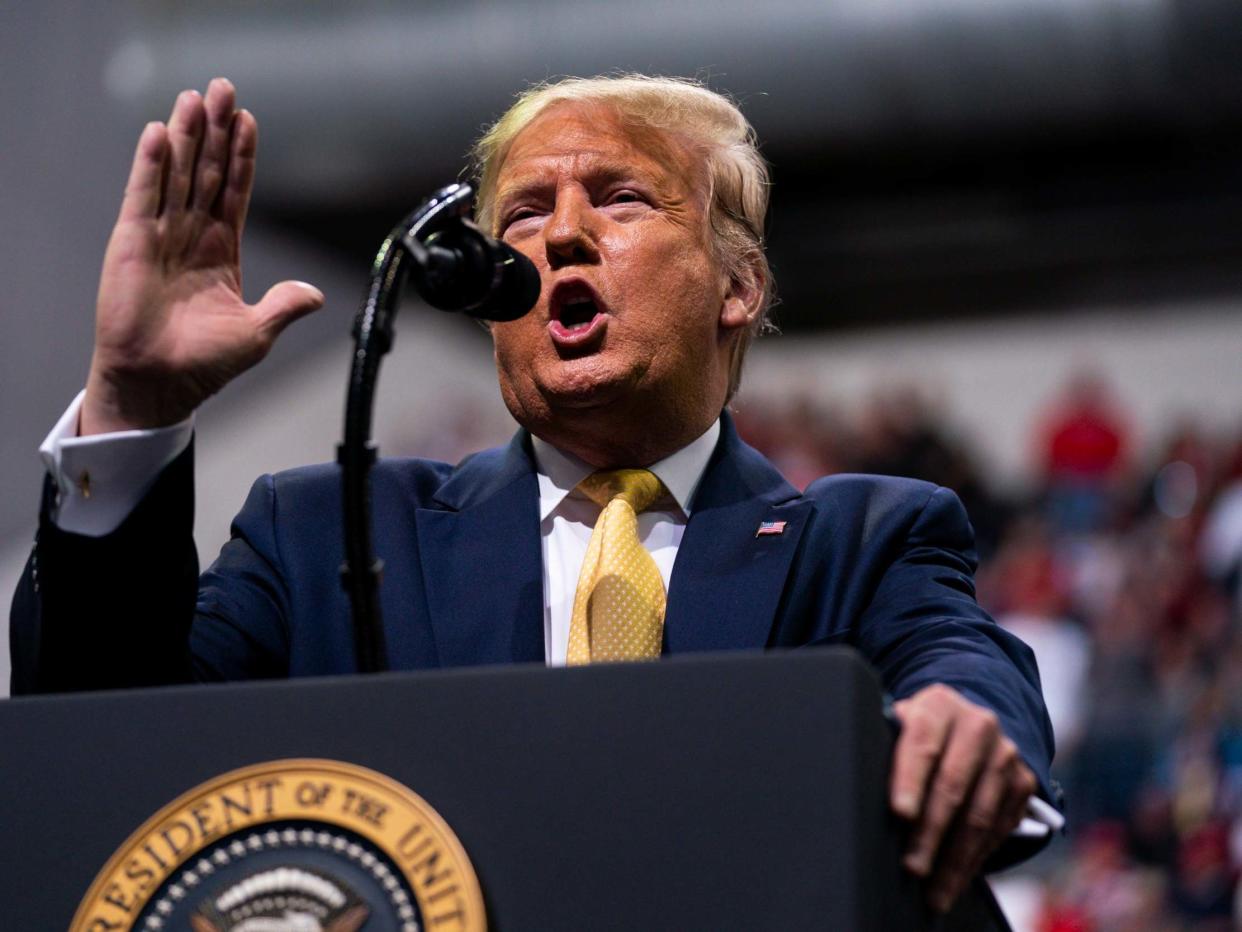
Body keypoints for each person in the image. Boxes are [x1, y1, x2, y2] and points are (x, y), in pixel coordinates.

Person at [10, 75, 1057, 912]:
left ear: (737, 284)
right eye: (522, 213)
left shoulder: (864, 537)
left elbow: (961, 665)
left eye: (619, 196)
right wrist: (132, 403)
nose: (558, 235)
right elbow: (102, 731)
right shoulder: (322, 530)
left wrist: (957, 723)